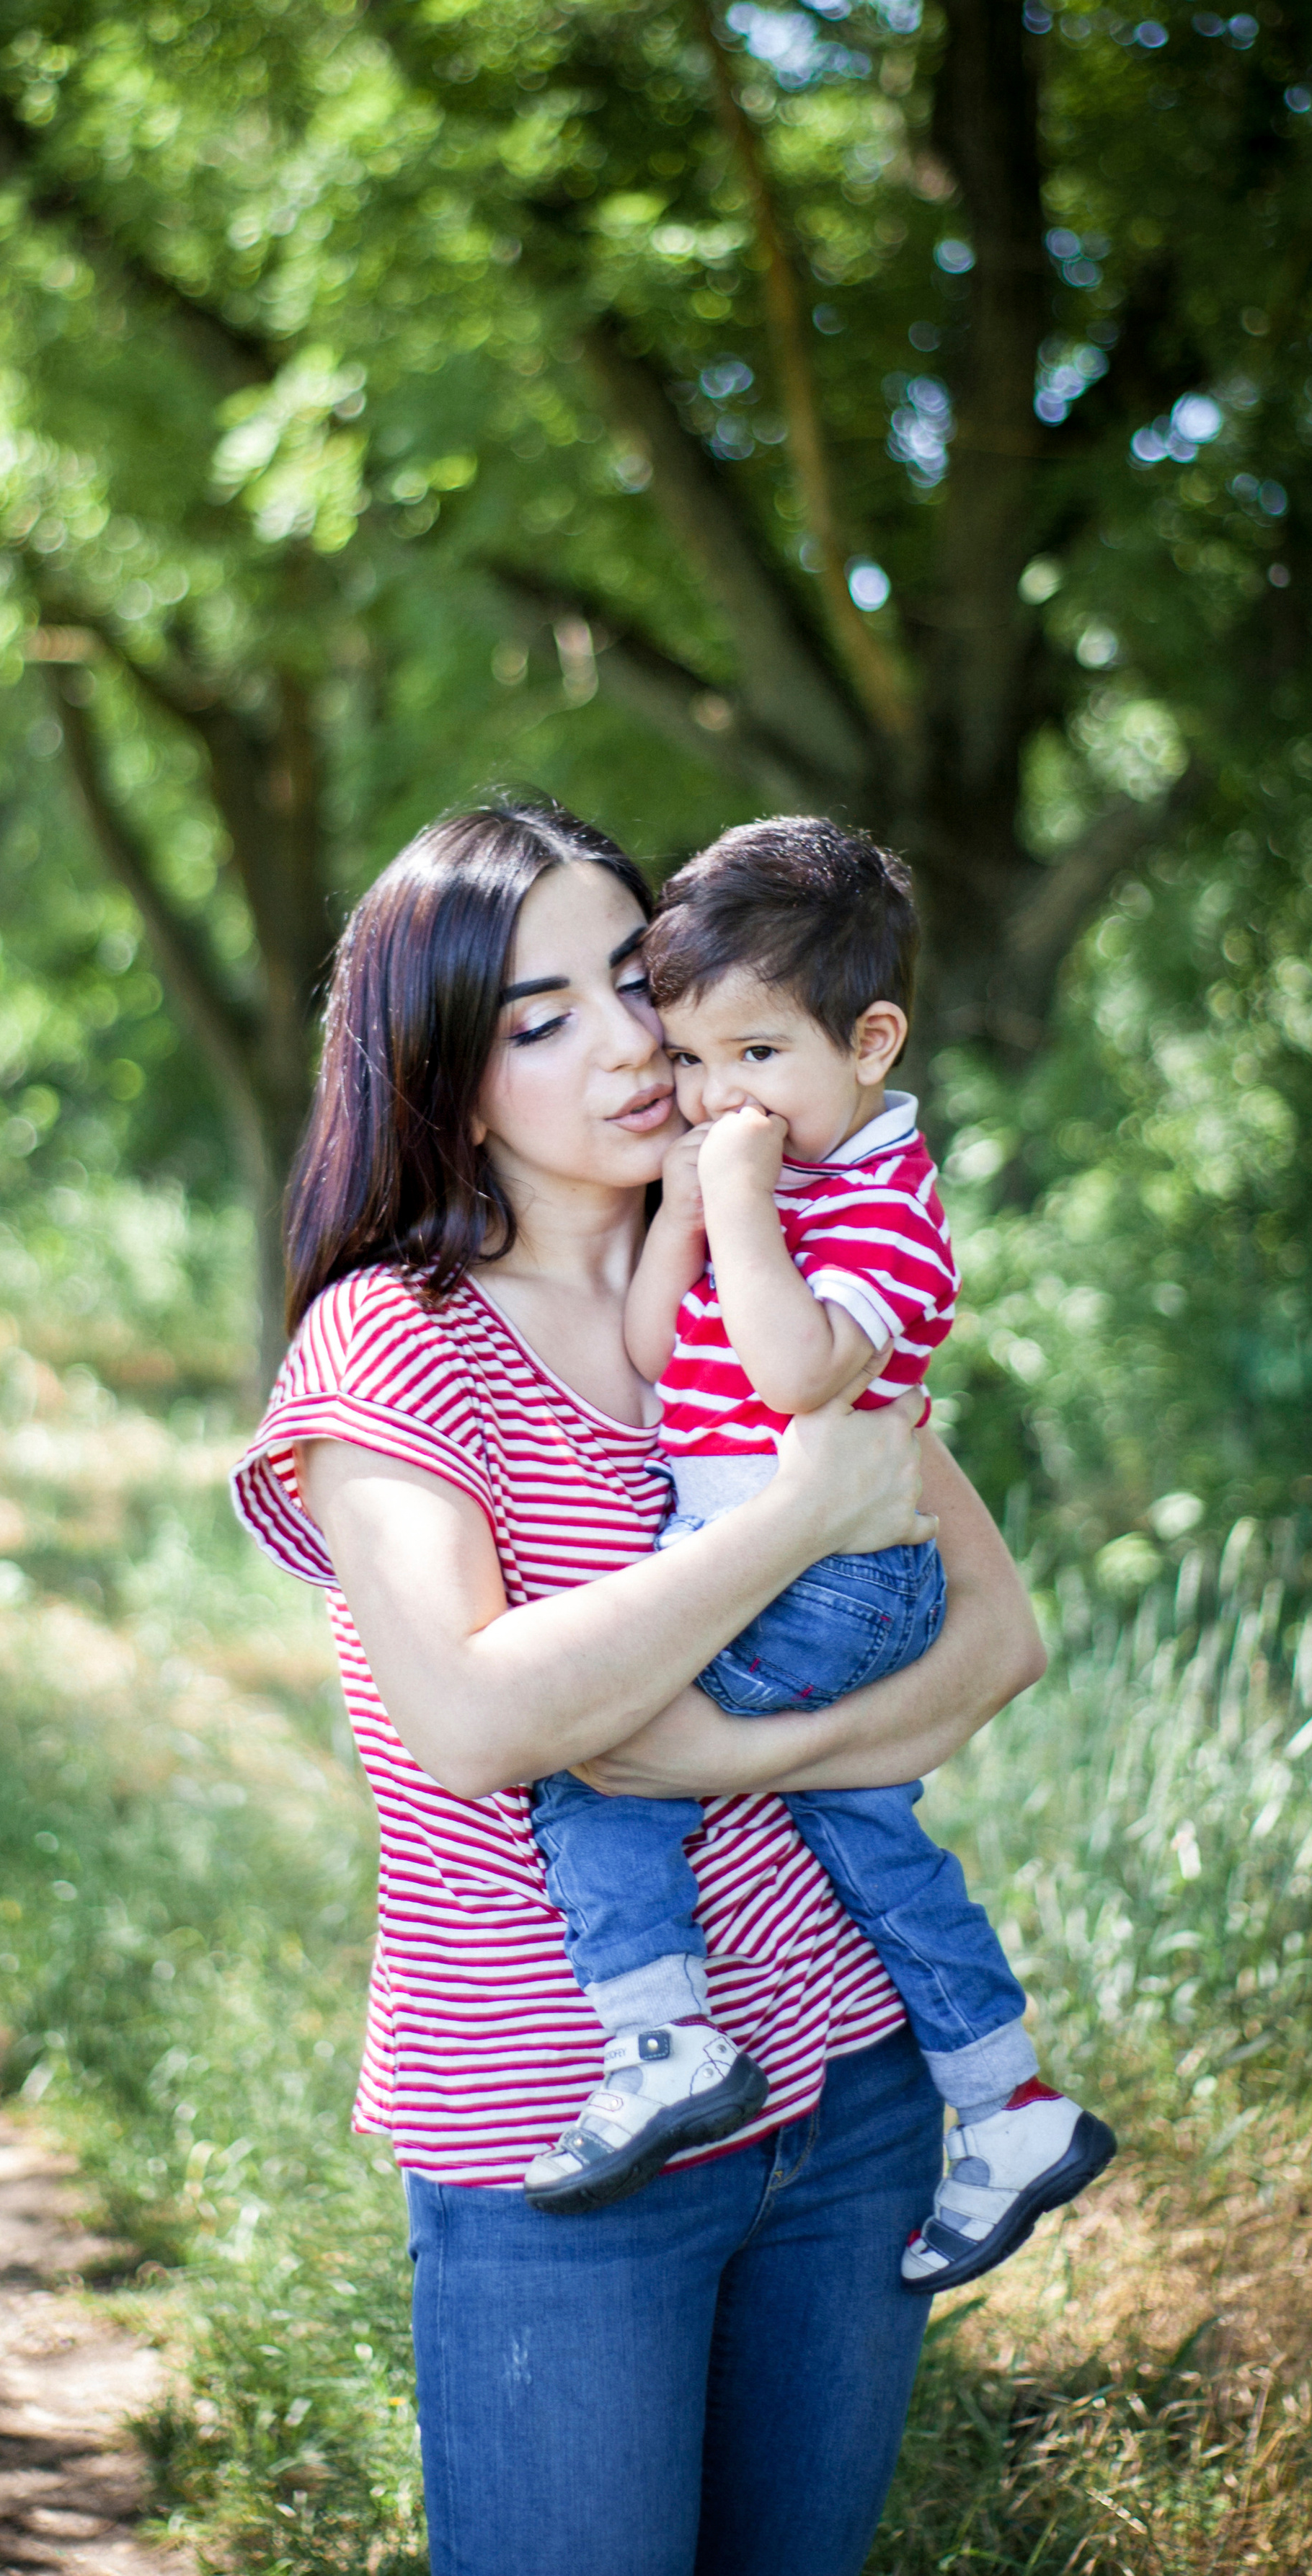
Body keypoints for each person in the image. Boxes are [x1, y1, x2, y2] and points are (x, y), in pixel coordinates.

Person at [232, 797, 1047, 2576]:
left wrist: (724, 1753)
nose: (623, 1046)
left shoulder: (777, 1285)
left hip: (848, 2104)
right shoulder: (392, 1345)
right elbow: (477, 1719)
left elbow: (995, 1648)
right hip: (560, 2135)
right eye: (537, 1020)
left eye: (632, 982)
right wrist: (787, 1529)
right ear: (443, 1070)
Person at [523, 818, 1114, 2288]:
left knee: (595, 1755)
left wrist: (731, 1204)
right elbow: (660, 1354)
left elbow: (795, 1377)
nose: (717, 1097)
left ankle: (662, 2039)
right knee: (867, 1835)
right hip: (779, 1555)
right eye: (694, 1061)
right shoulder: (772, 1188)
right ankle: (1009, 2103)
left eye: (757, 1056)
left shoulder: (882, 1214)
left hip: (831, 1579)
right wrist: (686, 1215)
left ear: (870, 1042)